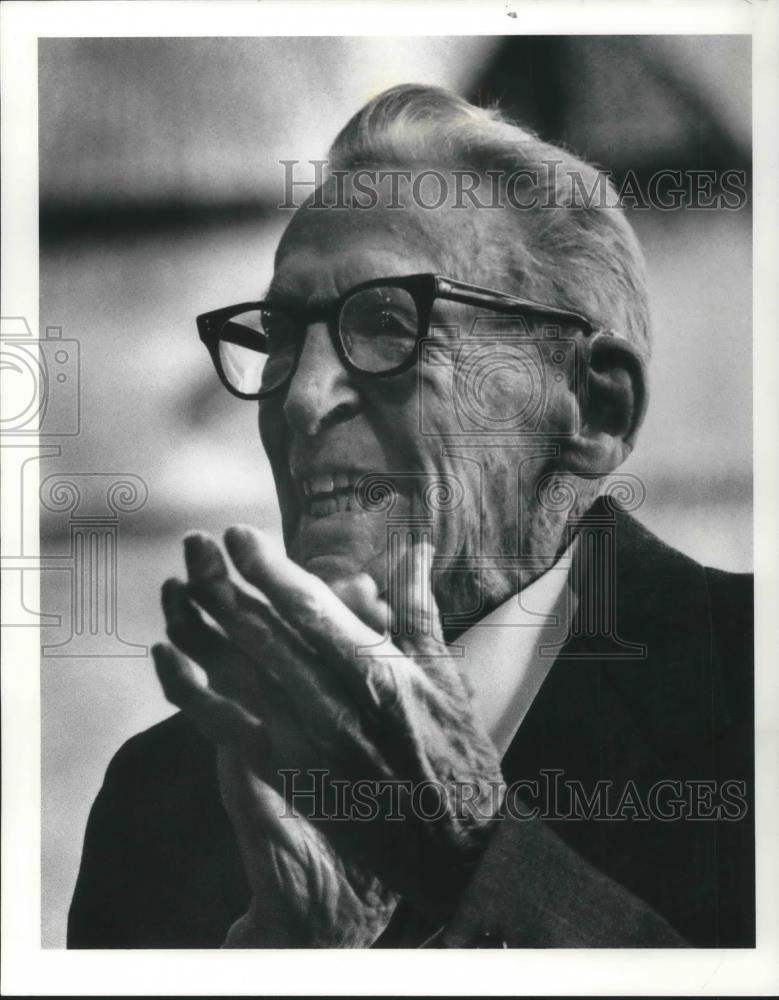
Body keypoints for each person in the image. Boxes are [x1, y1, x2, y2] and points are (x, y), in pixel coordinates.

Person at [68, 84, 754, 949]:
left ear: (592, 408)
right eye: (280, 335)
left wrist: (468, 858)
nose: (303, 399)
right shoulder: (157, 796)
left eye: (389, 324)